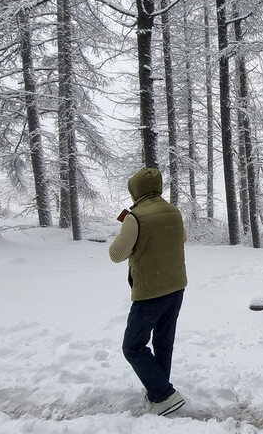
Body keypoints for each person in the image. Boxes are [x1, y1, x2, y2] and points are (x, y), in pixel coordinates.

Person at [109, 167, 188, 417]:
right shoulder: (174, 212)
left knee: (132, 346)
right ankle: (158, 392)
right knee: (163, 343)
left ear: (135, 191)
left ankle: (164, 394)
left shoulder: (135, 217)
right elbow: (181, 238)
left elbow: (116, 254)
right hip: (176, 288)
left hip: (150, 292)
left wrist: (126, 229)